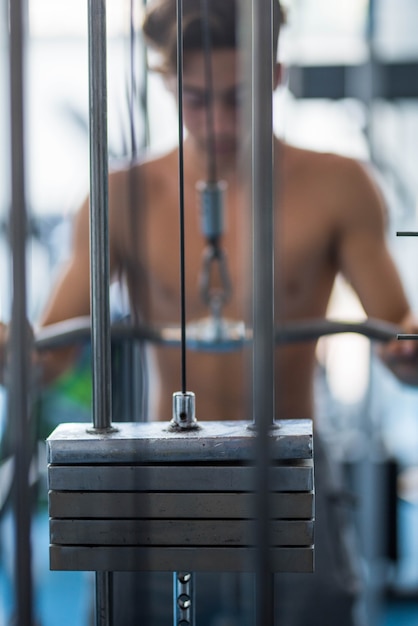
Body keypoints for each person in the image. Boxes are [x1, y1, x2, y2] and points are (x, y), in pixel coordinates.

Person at [11, 0, 418, 624]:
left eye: (239, 96)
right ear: (167, 81)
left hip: (291, 472)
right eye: (198, 99)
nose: (220, 120)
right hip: (158, 478)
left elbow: (400, 349)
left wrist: (409, 347)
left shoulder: (340, 185)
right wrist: (13, 353)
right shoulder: (120, 196)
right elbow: (47, 359)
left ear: (276, 75)